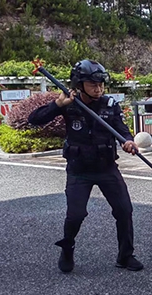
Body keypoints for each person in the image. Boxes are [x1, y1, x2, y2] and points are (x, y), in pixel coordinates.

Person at [28, 59, 143, 273]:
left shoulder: (110, 105)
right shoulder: (68, 104)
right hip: (79, 169)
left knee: (124, 210)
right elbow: (34, 119)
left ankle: (125, 256)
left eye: (100, 84)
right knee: (76, 214)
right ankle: (67, 248)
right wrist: (58, 105)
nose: (98, 89)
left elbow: (121, 128)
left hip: (106, 167)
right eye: (93, 84)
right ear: (79, 85)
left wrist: (128, 141)